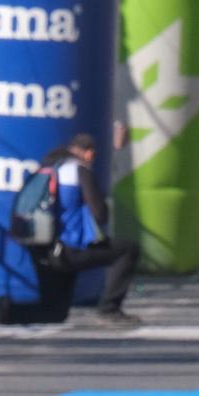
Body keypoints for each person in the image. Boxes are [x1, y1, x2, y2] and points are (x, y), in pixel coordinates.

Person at [48, 134, 142, 324]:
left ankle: (54, 309)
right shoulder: (80, 171)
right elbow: (100, 214)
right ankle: (109, 308)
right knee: (128, 249)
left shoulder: (52, 168)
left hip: (48, 248)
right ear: (89, 154)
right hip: (72, 248)